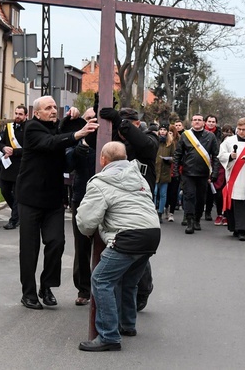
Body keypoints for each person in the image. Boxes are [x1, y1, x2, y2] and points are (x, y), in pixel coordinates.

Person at [76, 142, 161, 352]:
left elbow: (87, 221)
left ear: (102, 160)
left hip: (128, 236)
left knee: (100, 279)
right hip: (152, 234)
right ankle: (128, 324)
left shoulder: (101, 182)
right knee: (129, 281)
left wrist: (90, 233)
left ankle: (108, 336)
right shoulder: (139, 176)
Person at [16, 96, 98, 310]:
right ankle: (29, 293)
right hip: (30, 198)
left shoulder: (56, 129)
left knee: (57, 243)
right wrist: (76, 134)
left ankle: (46, 286)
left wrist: (75, 121)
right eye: (48, 108)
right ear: (37, 113)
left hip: (53, 199)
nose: (53, 110)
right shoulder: (32, 128)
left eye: (55, 107)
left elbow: (64, 145)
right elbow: (51, 143)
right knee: (29, 249)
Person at [172, 113, 220, 234]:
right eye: (195, 120)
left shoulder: (210, 137)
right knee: (189, 196)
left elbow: (216, 156)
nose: (197, 122)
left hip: (203, 174)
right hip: (188, 173)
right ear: (192, 122)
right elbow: (177, 155)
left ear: (203, 122)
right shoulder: (185, 135)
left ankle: (197, 218)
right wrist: (176, 171)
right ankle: (189, 221)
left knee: (200, 198)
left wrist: (214, 173)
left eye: (199, 120)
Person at [69, 107, 98, 306]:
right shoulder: (78, 141)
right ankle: (83, 289)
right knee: (81, 247)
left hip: (106, 201)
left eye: (93, 119)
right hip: (81, 198)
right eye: (86, 119)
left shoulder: (109, 140)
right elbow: (67, 161)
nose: (90, 123)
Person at [0, 105, 27, 230]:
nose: (17, 116)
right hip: (7, 165)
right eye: (16, 113)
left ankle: (13, 220)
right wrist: (4, 148)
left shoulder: (29, 128)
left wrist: (14, 152)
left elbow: (30, 149)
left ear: (26, 116)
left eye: (20, 114)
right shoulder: (9, 127)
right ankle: (19, 213)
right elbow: (1, 143)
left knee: (17, 194)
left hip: (21, 165)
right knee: (5, 191)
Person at [154, 123, 175, 221]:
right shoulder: (155, 140)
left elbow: (174, 157)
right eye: (161, 129)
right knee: (154, 192)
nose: (162, 131)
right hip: (155, 170)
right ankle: (153, 210)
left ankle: (160, 212)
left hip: (165, 171)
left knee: (163, 194)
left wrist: (169, 159)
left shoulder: (170, 143)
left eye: (164, 129)